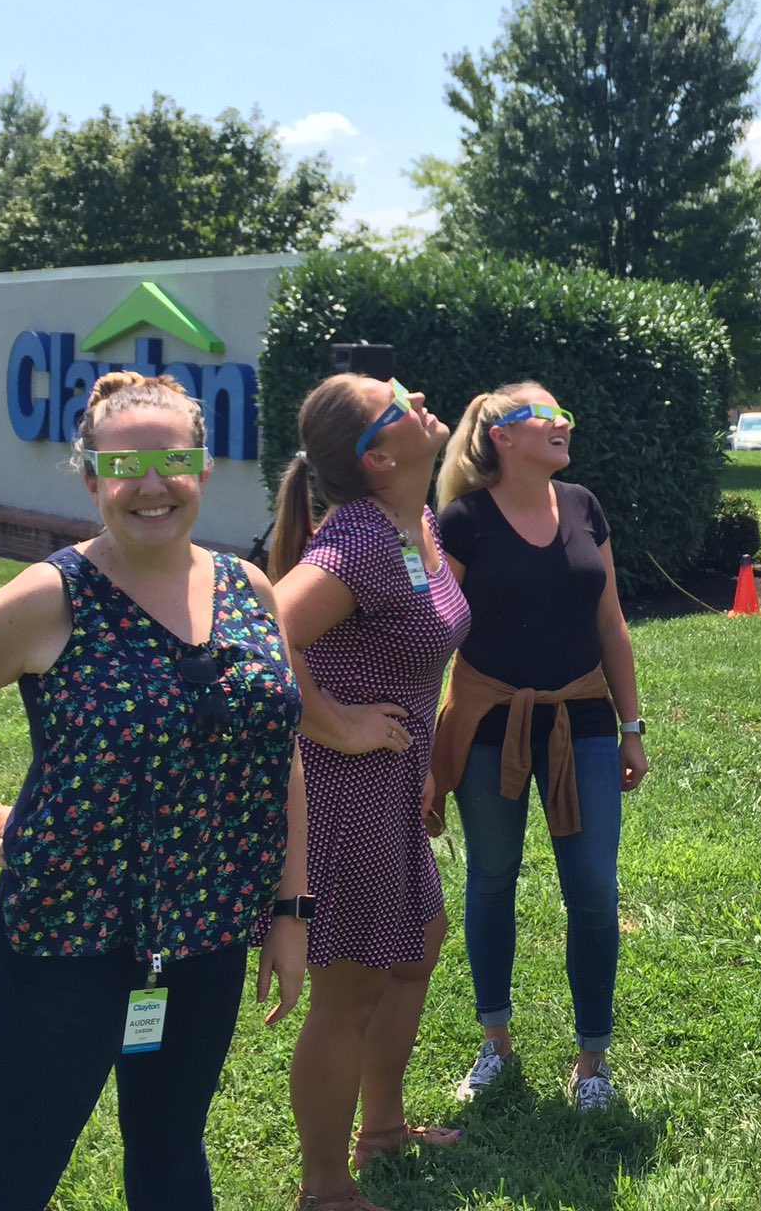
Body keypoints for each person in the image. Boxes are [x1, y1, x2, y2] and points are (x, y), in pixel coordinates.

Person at [0, 372, 310, 1210]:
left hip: (204, 934)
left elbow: (278, 752)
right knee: (13, 1177)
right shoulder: (54, 596)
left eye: (173, 460)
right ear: (93, 479)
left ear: (204, 470)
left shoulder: (249, 588)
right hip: (68, 940)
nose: (151, 484)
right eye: (124, 465)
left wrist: (289, 911)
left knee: (171, 1153)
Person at [268, 372, 471, 1211]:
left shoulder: (413, 522)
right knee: (349, 989)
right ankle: (324, 1188)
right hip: (343, 794)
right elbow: (264, 634)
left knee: (418, 943)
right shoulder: (355, 542)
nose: (417, 398)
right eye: (396, 403)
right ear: (378, 457)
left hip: (392, 782)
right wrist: (335, 723)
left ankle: (382, 1128)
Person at [428, 382, 648, 1111]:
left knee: (594, 888)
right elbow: (435, 637)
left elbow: (611, 623)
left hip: (582, 718)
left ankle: (593, 1060)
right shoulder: (462, 522)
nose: (563, 424)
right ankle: (495, 1042)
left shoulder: (584, 506)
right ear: (502, 436)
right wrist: (423, 745)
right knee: (492, 877)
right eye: (546, 416)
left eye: (564, 415)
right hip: (489, 722)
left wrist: (631, 727)